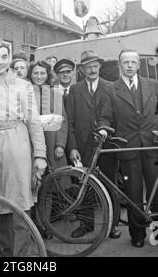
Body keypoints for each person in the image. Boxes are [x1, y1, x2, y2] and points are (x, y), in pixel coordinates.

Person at [0, 38, 47, 256]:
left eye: (5, 56)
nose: (0, 61)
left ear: (10, 58)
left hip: (16, 146)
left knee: (19, 206)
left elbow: (34, 122)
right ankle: (5, 253)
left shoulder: (23, 86)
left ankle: (23, 256)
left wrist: (40, 155)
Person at [98, 49, 158, 248]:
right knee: (133, 195)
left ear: (139, 64)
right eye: (126, 62)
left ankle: (156, 232)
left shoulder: (153, 85)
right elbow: (105, 116)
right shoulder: (111, 89)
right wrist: (103, 129)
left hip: (152, 146)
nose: (130, 66)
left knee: (155, 193)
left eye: (133, 62)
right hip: (128, 148)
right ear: (119, 65)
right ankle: (137, 234)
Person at [66, 50, 121, 239]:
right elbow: (69, 121)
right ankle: (86, 224)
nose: (92, 69)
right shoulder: (75, 90)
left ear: (100, 66)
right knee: (83, 185)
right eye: (88, 66)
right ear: (82, 70)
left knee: (110, 184)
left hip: (106, 145)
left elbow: (116, 117)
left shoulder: (111, 87)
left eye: (95, 65)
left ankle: (113, 225)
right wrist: (72, 147)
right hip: (83, 146)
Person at [28, 61, 68, 170]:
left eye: (42, 73)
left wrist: (60, 144)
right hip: (31, 142)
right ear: (30, 75)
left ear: (48, 75)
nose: (39, 76)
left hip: (52, 140)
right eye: (35, 73)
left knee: (55, 177)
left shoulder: (54, 93)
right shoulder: (26, 93)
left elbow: (62, 120)